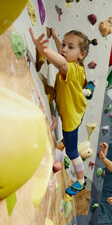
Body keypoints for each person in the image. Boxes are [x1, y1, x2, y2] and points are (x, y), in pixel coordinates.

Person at [29, 27, 90, 196]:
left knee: (72, 152)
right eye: (64, 44)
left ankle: (80, 180)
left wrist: (44, 49)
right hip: (78, 110)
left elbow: (61, 62)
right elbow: (62, 55)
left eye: (70, 47)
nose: (64, 49)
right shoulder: (75, 64)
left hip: (71, 118)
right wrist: (56, 37)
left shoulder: (72, 69)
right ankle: (66, 140)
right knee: (71, 136)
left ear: (82, 54)